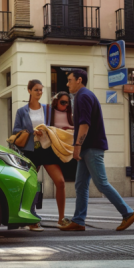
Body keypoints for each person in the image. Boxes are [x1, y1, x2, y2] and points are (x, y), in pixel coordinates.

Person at [58, 69, 134, 232]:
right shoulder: (82, 96)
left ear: (79, 80)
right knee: (81, 185)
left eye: (70, 80)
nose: (67, 84)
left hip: (91, 148)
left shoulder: (83, 96)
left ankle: (128, 213)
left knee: (101, 183)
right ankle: (79, 220)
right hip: (88, 147)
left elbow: (85, 124)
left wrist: (77, 147)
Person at [12, 80, 66, 232]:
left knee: (60, 182)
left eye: (41, 90)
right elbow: (16, 130)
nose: (39, 93)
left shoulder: (48, 109)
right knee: (31, 185)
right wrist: (31, 132)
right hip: (31, 151)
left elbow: (56, 125)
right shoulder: (22, 111)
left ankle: (61, 219)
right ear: (29, 91)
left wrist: (48, 131)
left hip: (47, 149)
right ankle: (32, 220)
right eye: (36, 90)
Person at [50, 92, 74, 226]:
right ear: (56, 102)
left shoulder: (70, 116)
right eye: (62, 102)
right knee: (33, 183)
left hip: (63, 150)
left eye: (67, 103)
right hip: (48, 150)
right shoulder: (49, 113)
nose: (65, 105)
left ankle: (61, 218)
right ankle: (30, 218)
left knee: (61, 183)